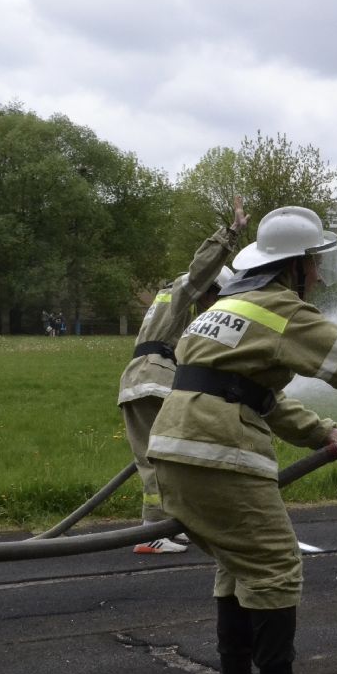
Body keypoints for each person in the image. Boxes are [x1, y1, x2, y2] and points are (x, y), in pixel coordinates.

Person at [148, 206, 337, 674]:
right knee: (273, 567)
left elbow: (247, 391)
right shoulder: (284, 310)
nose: (316, 274)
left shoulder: (226, 309)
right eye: (313, 263)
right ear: (296, 266)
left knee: (238, 565)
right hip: (219, 451)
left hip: (175, 445)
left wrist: (323, 433)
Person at [118, 197, 249, 554]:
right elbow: (199, 272)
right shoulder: (180, 294)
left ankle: (165, 526)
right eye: (215, 296)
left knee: (161, 457)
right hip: (152, 381)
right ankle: (152, 534)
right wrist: (231, 234)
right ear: (209, 288)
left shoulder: (164, 303)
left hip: (138, 381)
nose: (213, 305)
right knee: (159, 459)